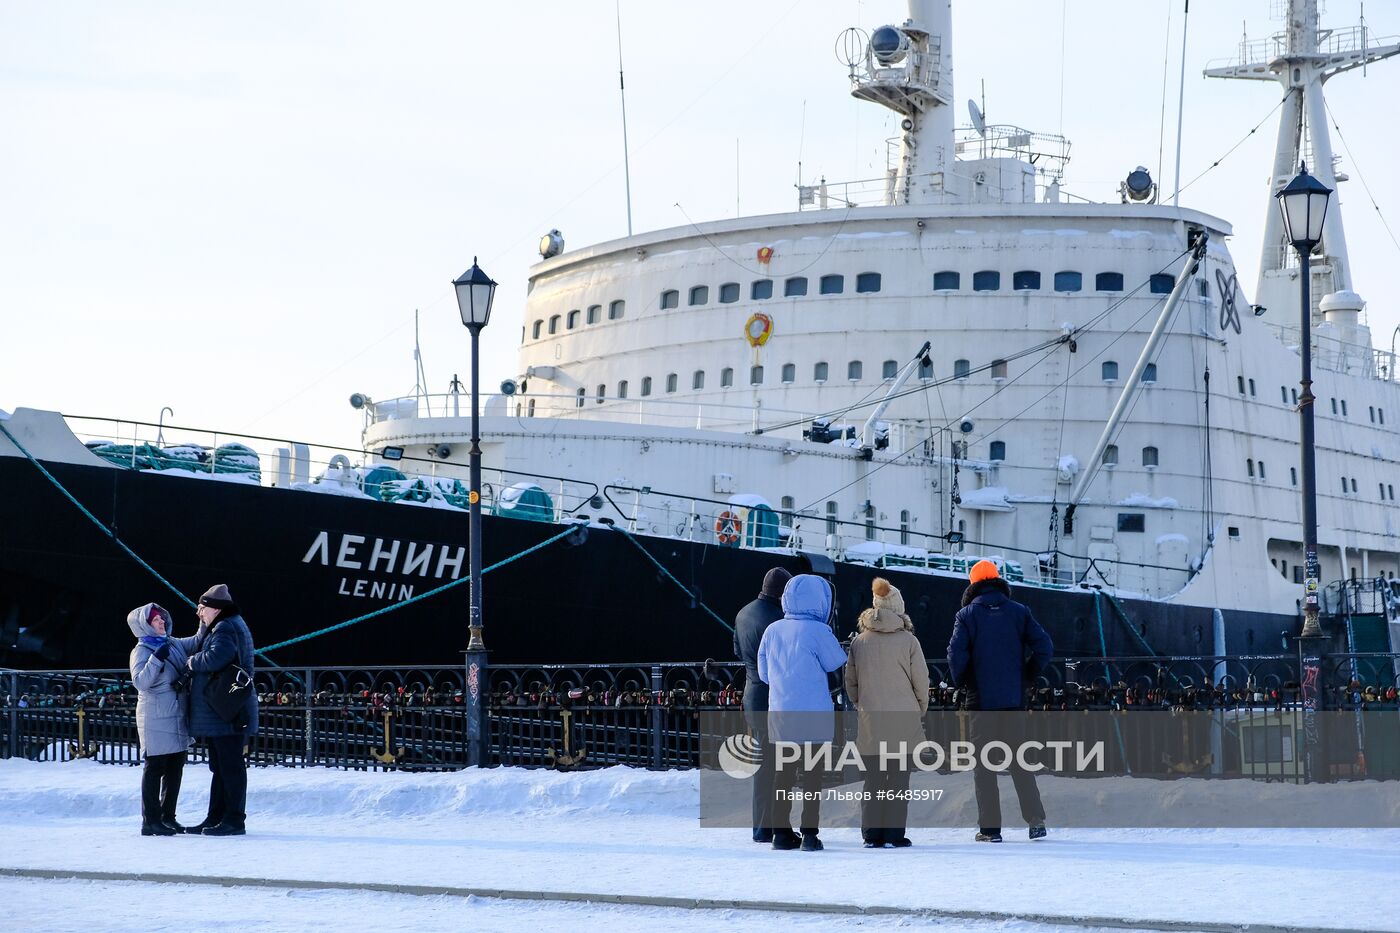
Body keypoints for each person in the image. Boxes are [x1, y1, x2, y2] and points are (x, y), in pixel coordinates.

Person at [947, 559, 1053, 843]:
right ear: (997, 580)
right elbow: (1044, 646)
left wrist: (964, 683)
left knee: (984, 767)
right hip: (1013, 700)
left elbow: (955, 656)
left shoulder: (966, 616)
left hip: (981, 702)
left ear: (973, 585)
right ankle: (1036, 821)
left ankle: (990, 830)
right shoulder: (1019, 612)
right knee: (1020, 761)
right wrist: (1027, 675)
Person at [756, 573, 846, 852]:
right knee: (812, 777)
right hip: (813, 716)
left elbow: (764, 674)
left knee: (782, 775)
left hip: (781, 714)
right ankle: (809, 835)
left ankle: (781, 833)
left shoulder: (773, 630)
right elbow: (835, 663)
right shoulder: (818, 631)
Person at [845, 578, 929, 848]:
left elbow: (851, 682)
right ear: (899, 608)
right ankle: (894, 834)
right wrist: (919, 708)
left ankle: (871, 835)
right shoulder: (909, 641)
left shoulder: (859, 642)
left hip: (872, 720)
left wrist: (862, 704)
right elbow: (922, 681)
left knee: (873, 778)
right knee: (898, 778)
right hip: (903, 719)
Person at [176, 584, 259, 836]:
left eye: (201, 609)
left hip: (226, 711)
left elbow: (216, 657)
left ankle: (233, 819)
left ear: (214, 608)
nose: (199, 613)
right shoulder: (230, 623)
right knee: (222, 767)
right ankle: (215, 817)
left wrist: (191, 661)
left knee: (230, 767)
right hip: (224, 711)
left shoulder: (225, 627)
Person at [733, 566, 791, 843]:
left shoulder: (743, 613)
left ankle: (761, 826)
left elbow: (737, 650)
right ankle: (773, 826)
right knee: (779, 766)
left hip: (751, 695)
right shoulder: (779, 619)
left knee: (763, 766)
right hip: (774, 698)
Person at [127, 602, 191, 836]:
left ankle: (168, 816)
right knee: (154, 767)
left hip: (175, 713)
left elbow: (194, 641)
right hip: (155, 716)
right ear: (145, 625)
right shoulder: (142, 650)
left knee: (176, 766)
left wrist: (207, 619)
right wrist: (157, 659)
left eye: (162, 618)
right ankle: (150, 820)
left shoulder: (172, 644)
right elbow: (140, 682)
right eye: (156, 620)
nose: (162, 622)